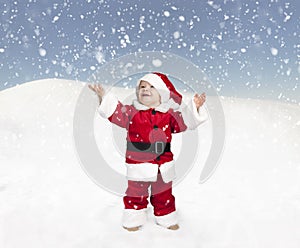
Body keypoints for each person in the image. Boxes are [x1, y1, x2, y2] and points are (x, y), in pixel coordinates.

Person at [89, 72, 207, 231]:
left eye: (152, 86)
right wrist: (104, 97)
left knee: (164, 193)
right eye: (142, 86)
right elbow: (115, 111)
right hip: (138, 164)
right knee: (135, 192)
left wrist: (195, 108)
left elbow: (184, 121)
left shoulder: (168, 116)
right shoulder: (131, 113)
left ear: (162, 95)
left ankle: (166, 216)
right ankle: (133, 218)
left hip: (162, 165)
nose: (145, 89)